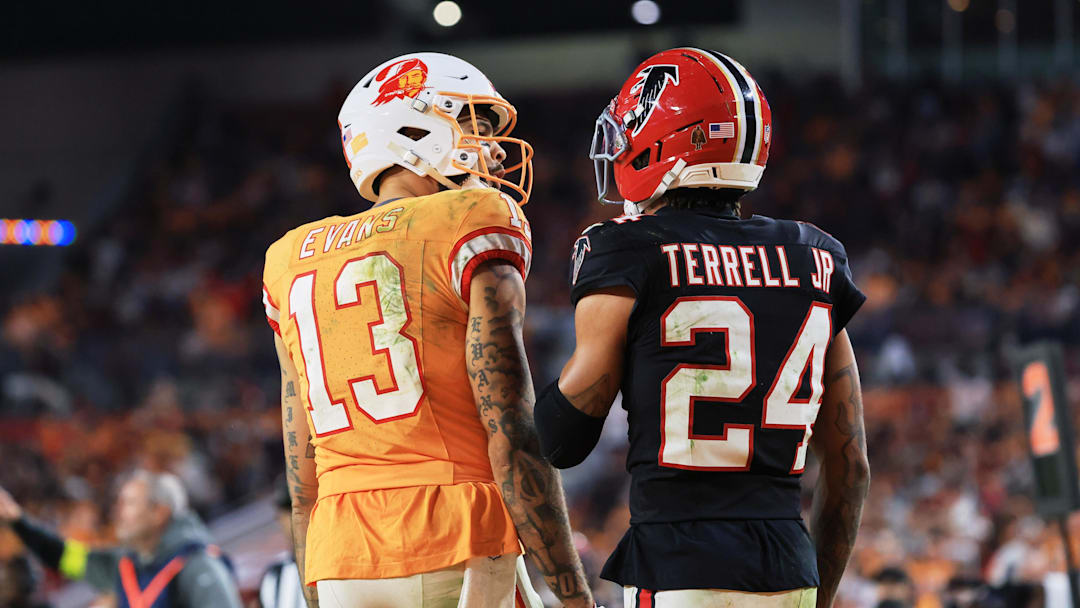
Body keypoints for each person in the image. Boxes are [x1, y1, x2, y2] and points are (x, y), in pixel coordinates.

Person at [533, 47, 871, 607]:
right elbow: (851, 464)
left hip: (676, 564)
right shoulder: (816, 255)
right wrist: (817, 589)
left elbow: (563, 439)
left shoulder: (625, 248)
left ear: (668, 139)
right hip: (789, 569)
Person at [262, 52, 593, 608]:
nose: (488, 148)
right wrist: (576, 596)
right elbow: (512, 432)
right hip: (458, 542)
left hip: (342, 558)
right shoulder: (469, 218)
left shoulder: (288, 257)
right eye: (472, 124)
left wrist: (317, 587)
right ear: (411, 128)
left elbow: (303, 475)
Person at [0, 470, 240, 608]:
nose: (118, 511)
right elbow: (63, 557)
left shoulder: (198, 565)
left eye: (130, 503)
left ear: (159, 512)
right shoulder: (127, 566)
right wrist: (19, 522)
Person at [258, 482, 307, 608]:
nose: (298, 515)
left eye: (303, 505)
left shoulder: (336, 559)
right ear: (279, 517)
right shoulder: (273, 578)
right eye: (290, 509)